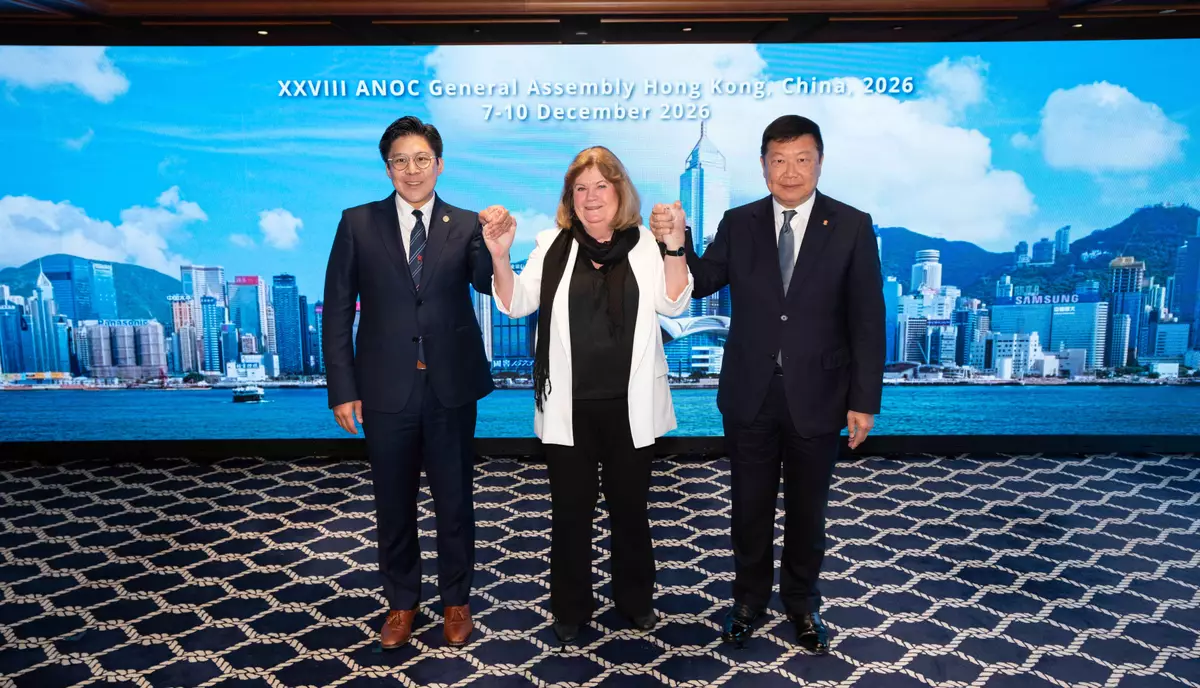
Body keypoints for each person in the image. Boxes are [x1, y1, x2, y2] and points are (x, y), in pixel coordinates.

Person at [650, 115, 885, 653]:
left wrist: (863, 401)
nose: (790, 171)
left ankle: (802, 603)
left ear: (819, 162)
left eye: (802, 159)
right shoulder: (739, 222)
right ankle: (749, 600)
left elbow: (867, 320)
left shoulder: (851, 225)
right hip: (750, 393)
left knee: (808, 511)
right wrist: (675, 241)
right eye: (779, 160)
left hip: (819, 395)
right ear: (763, 165)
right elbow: (703, 281)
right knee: (748, 509)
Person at [484, 146, 693, 643]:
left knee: (631, 512)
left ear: (620, 192)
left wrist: (675, 246)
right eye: (580, 188)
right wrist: (499, 256)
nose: (591, 196)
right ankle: (570, 606)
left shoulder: (645, 244)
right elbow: (515, 304)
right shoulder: (552, 245)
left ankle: (636, 601)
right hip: (568, 408)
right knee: (570, 515)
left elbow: (673, 302)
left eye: (601, 185)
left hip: (631, 407)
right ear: (569, 198)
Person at [322, 115, 514, 650]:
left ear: (440, 164)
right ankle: (402, 602)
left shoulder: (466, 223)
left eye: (422, 159)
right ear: (387, 169)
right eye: (401, 161)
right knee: (393, 504)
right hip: (384, 389)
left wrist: (497, 244)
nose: (412, 170)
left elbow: (485, 283)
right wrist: (342, 388)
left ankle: (457, 601)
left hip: (450, 387)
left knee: (455, 501)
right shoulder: (357, 223)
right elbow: (337, 310)